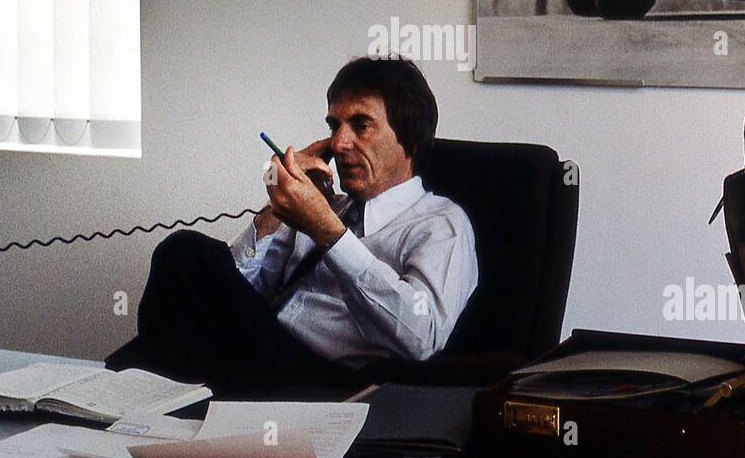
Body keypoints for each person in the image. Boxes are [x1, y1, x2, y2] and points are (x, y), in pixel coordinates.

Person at [106, 58, 479, 395]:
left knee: (185, 253)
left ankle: (148, 389)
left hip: (326, 380)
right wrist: (278, 210)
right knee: (179, 272)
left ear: (409, 138)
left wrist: (330, 234)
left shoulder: (441, 225)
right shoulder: (325, 204)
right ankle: (140, 389)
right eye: (334, 125)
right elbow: (237, 285)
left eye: (361, 125)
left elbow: (423, 336)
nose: (340, 142)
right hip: (259, 349)